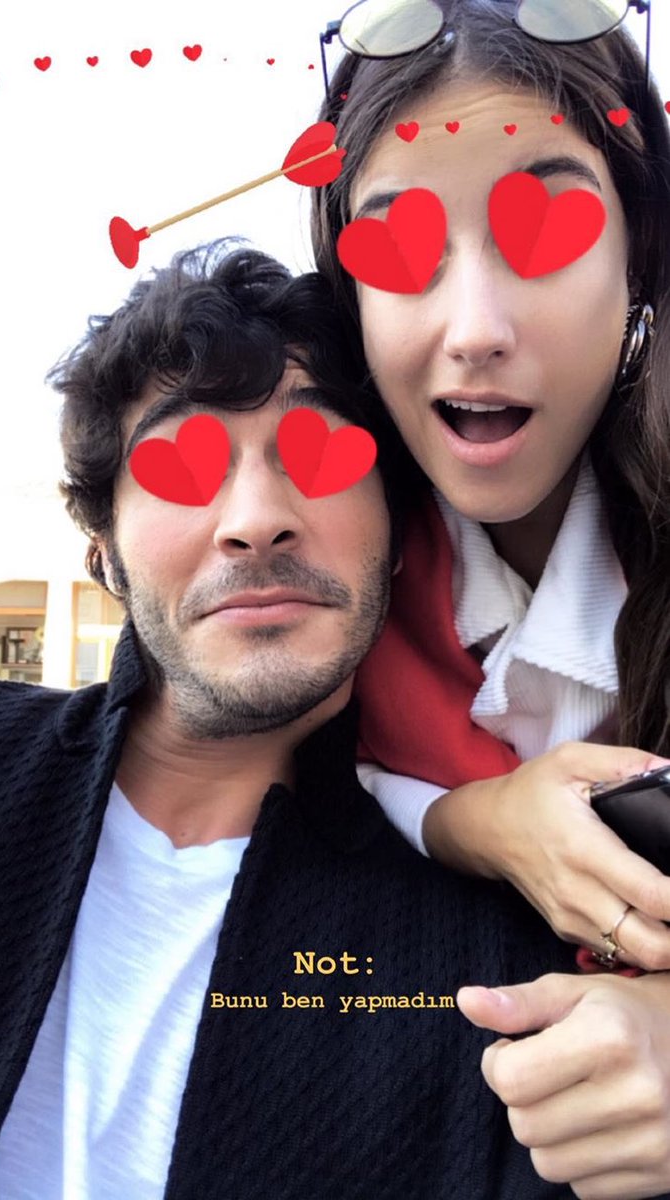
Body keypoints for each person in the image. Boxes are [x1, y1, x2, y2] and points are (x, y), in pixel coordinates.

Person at [0, 239, 588, 1200]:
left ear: (399, 541)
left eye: (320, 454)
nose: (256, 518)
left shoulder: (496, 974)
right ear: (103, 552)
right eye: (182, 466)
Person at [310, 0, 670, 1196]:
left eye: (547, 229)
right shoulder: (315, 578)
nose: (474, 330)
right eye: (398, 251)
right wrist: (482, 821)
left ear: (640, 255)